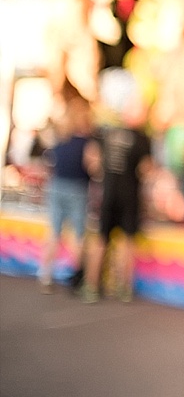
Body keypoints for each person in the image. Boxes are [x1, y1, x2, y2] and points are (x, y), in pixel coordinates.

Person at [82, 98, 154, 303]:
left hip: (108, 192)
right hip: (129, 194)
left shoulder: (107, 133)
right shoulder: (142, 139)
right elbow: (146, 169)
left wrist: (102, 174)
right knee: (128, 241)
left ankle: (91, 285)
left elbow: (91, 159)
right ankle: (124, 288)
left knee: (101, 238)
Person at [37, 95, 99, 292]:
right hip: (77, 188)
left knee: (54, 232)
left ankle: (46, 276)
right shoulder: (88, 143)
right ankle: (76, 274)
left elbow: (50, 163)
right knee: (78, 234)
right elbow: (93, 167)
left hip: (56, 186)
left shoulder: (60, 138)